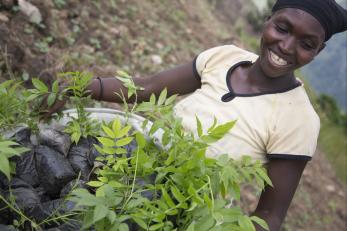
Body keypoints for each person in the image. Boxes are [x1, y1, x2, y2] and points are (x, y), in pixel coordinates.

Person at [49, 0, 347, 230]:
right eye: (282, 28)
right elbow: (148, 87)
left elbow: (270, 216)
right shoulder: (224, 57)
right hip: (128, 168)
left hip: (176, 213)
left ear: (317, 51)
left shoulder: (300, 120)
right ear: (268, 21)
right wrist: (79, 88)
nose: (286, 46)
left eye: (306, 44)